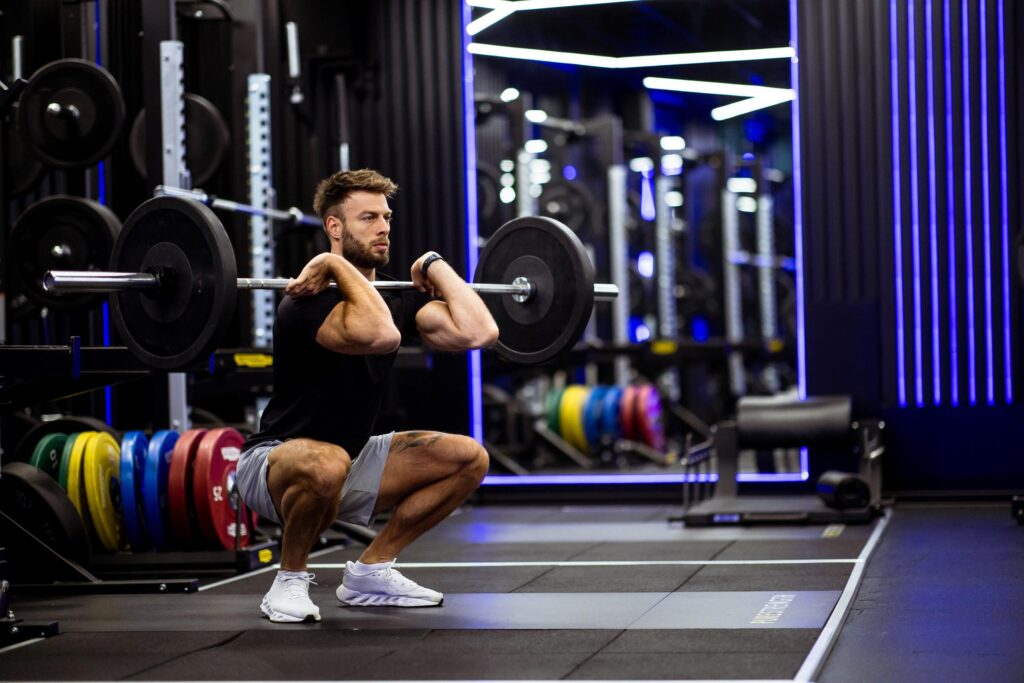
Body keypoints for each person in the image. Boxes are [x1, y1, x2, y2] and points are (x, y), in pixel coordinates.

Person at [236, 169, 499, 623]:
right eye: (368, 218)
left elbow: (480, 332)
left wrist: (434, 264)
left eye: (386, 217)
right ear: (334, 227)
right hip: (275, 462)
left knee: (469, 458)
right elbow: (380, 335)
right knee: (327, 462)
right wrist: (334, 264)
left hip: (353, 459)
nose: (383, 228)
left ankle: (371, 571)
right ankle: (289, 578)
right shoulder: (305, 301)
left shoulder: (394, 296)